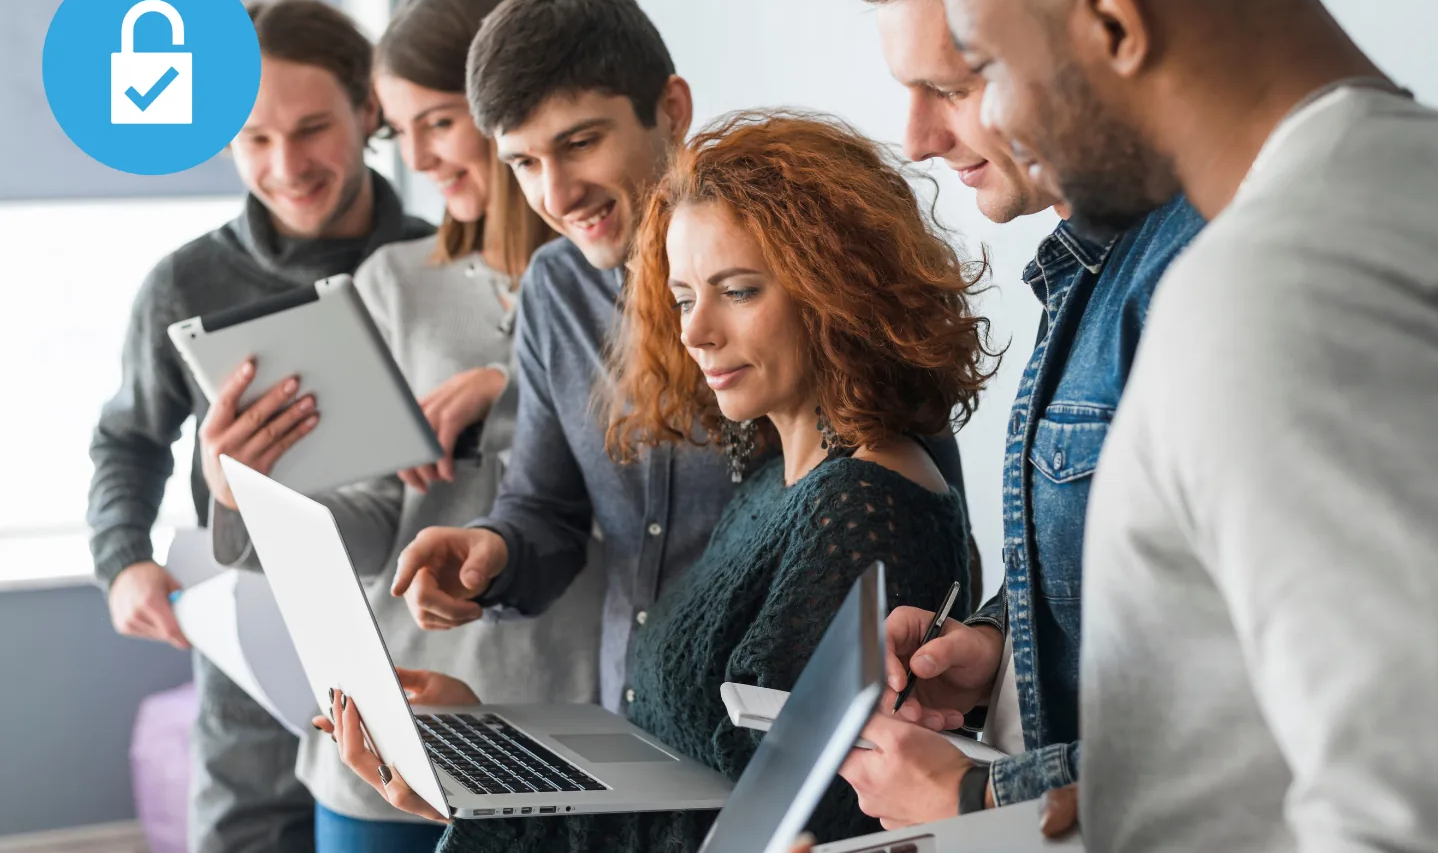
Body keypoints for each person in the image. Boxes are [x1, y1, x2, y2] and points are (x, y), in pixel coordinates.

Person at [913, 0, 1438, 851]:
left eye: (984, 70)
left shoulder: (1286, 292)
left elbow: (1436, 824)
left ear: (1113, 25)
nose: (989, 121)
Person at [321, 109, 982, 853]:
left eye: (737, 291)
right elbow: (690, 777)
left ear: (837, 288)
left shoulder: (861, 509)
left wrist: (498, 804)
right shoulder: (779, 477)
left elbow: (761, 832)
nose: (695, 333)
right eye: (684, 298)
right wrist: (487, 751)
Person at [383, 0, 966, 716]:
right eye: (525, 164)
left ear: (671, 110)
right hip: (635, 714)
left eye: (580, 143)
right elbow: (543, 504)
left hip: (769, 746)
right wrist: (492, 555)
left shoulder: (806, 273)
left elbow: (900, 519)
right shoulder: (555, 290)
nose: (556, 196)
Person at [204, 0, 605, 853]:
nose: (418, 160)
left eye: (438, 122)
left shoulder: (617, 283)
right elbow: (378, 520)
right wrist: (246, 493)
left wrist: (510, 381)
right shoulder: (392, 283)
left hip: (577, 723)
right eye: (401, 131)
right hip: (396, 729)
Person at [832, 0, 1206, 835]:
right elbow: (1123, 580)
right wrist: (997, 640)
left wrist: (975, 795)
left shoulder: (1202, 278)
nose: (916, 137)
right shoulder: (1087, 264)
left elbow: (1238, 717)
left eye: (951, 87)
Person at [87, 0, 435, 852]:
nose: (288, 165)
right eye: (255, 139)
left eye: (313, 128)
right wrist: (123, 561)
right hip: (252, 650)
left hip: (413, 646)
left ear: (367, 112)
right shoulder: (184, 285)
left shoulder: (442, 264)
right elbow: (127, 441)